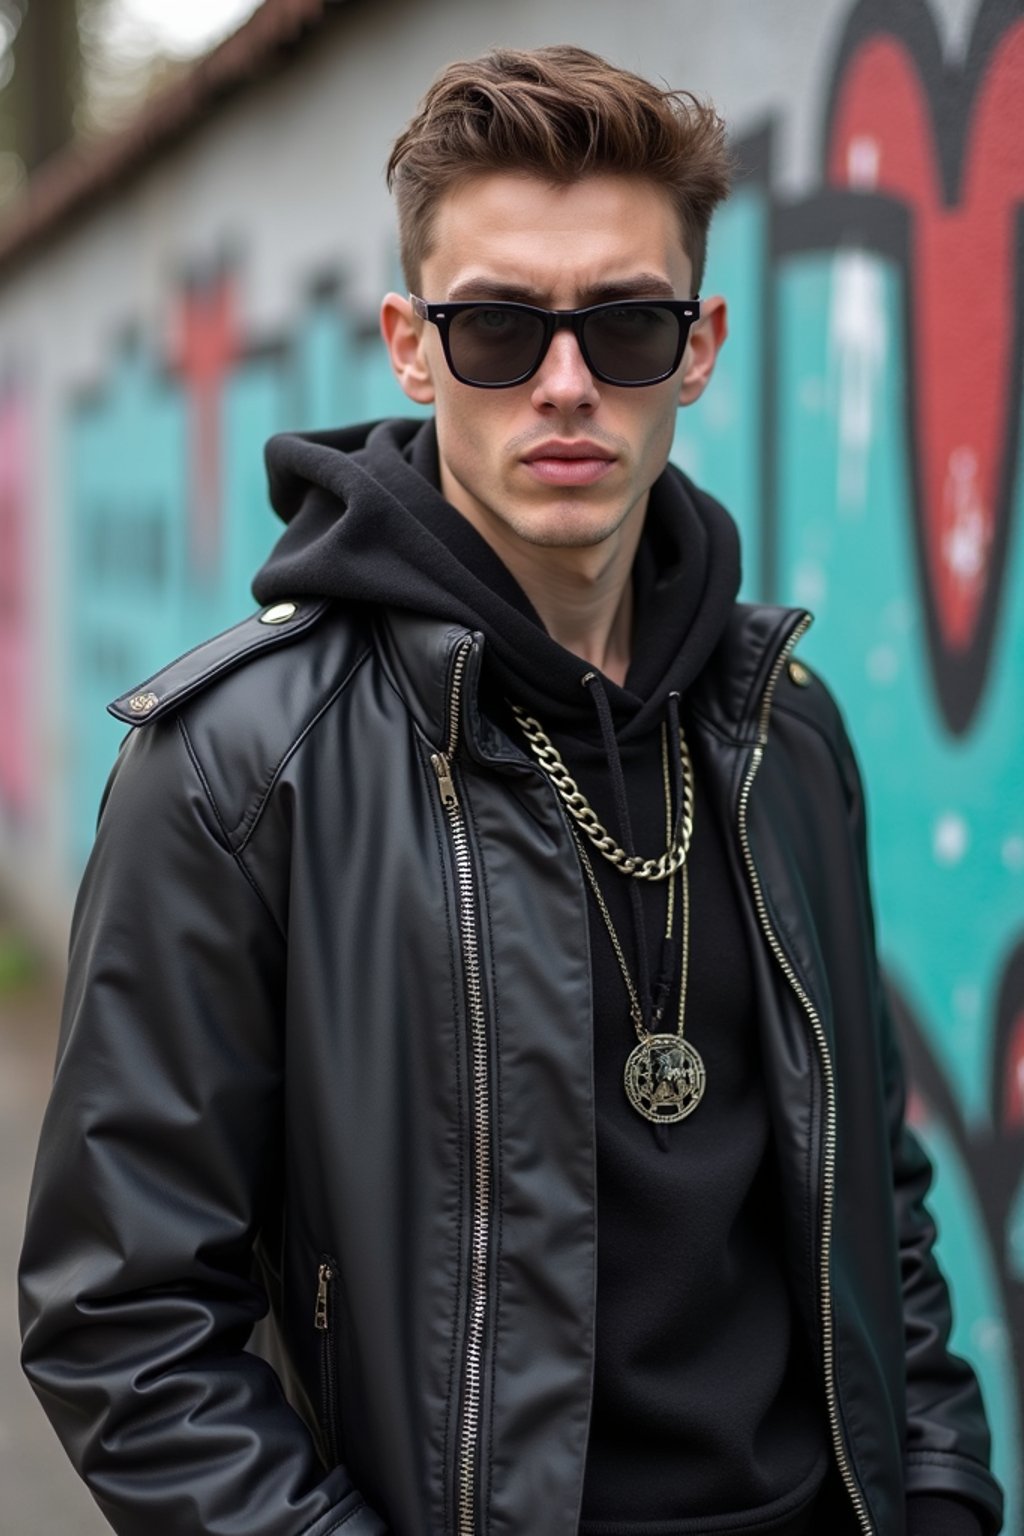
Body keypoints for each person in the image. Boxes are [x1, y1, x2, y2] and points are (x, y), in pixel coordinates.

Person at [19, 44, 1003, 1536]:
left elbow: (877, 1189)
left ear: (701, 343)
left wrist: (938, 1490)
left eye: (623, 325)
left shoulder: (782, 732)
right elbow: (126, 1317)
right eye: (496, 329)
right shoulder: (240, 767)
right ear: (412, 348)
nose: (562, 385)